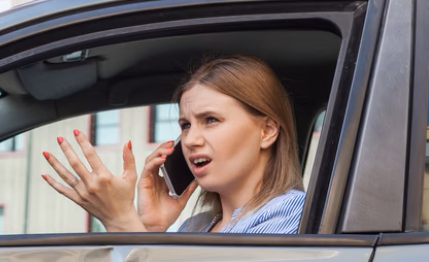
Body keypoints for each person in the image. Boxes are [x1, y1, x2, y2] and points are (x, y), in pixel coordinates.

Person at [40, 55, 305, 234]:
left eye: (211, 120)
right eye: (185, 125)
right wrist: (151, 231)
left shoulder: (290, 215)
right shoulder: (194, 227)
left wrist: (122, 222)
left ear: (267, 131)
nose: (190, 140)